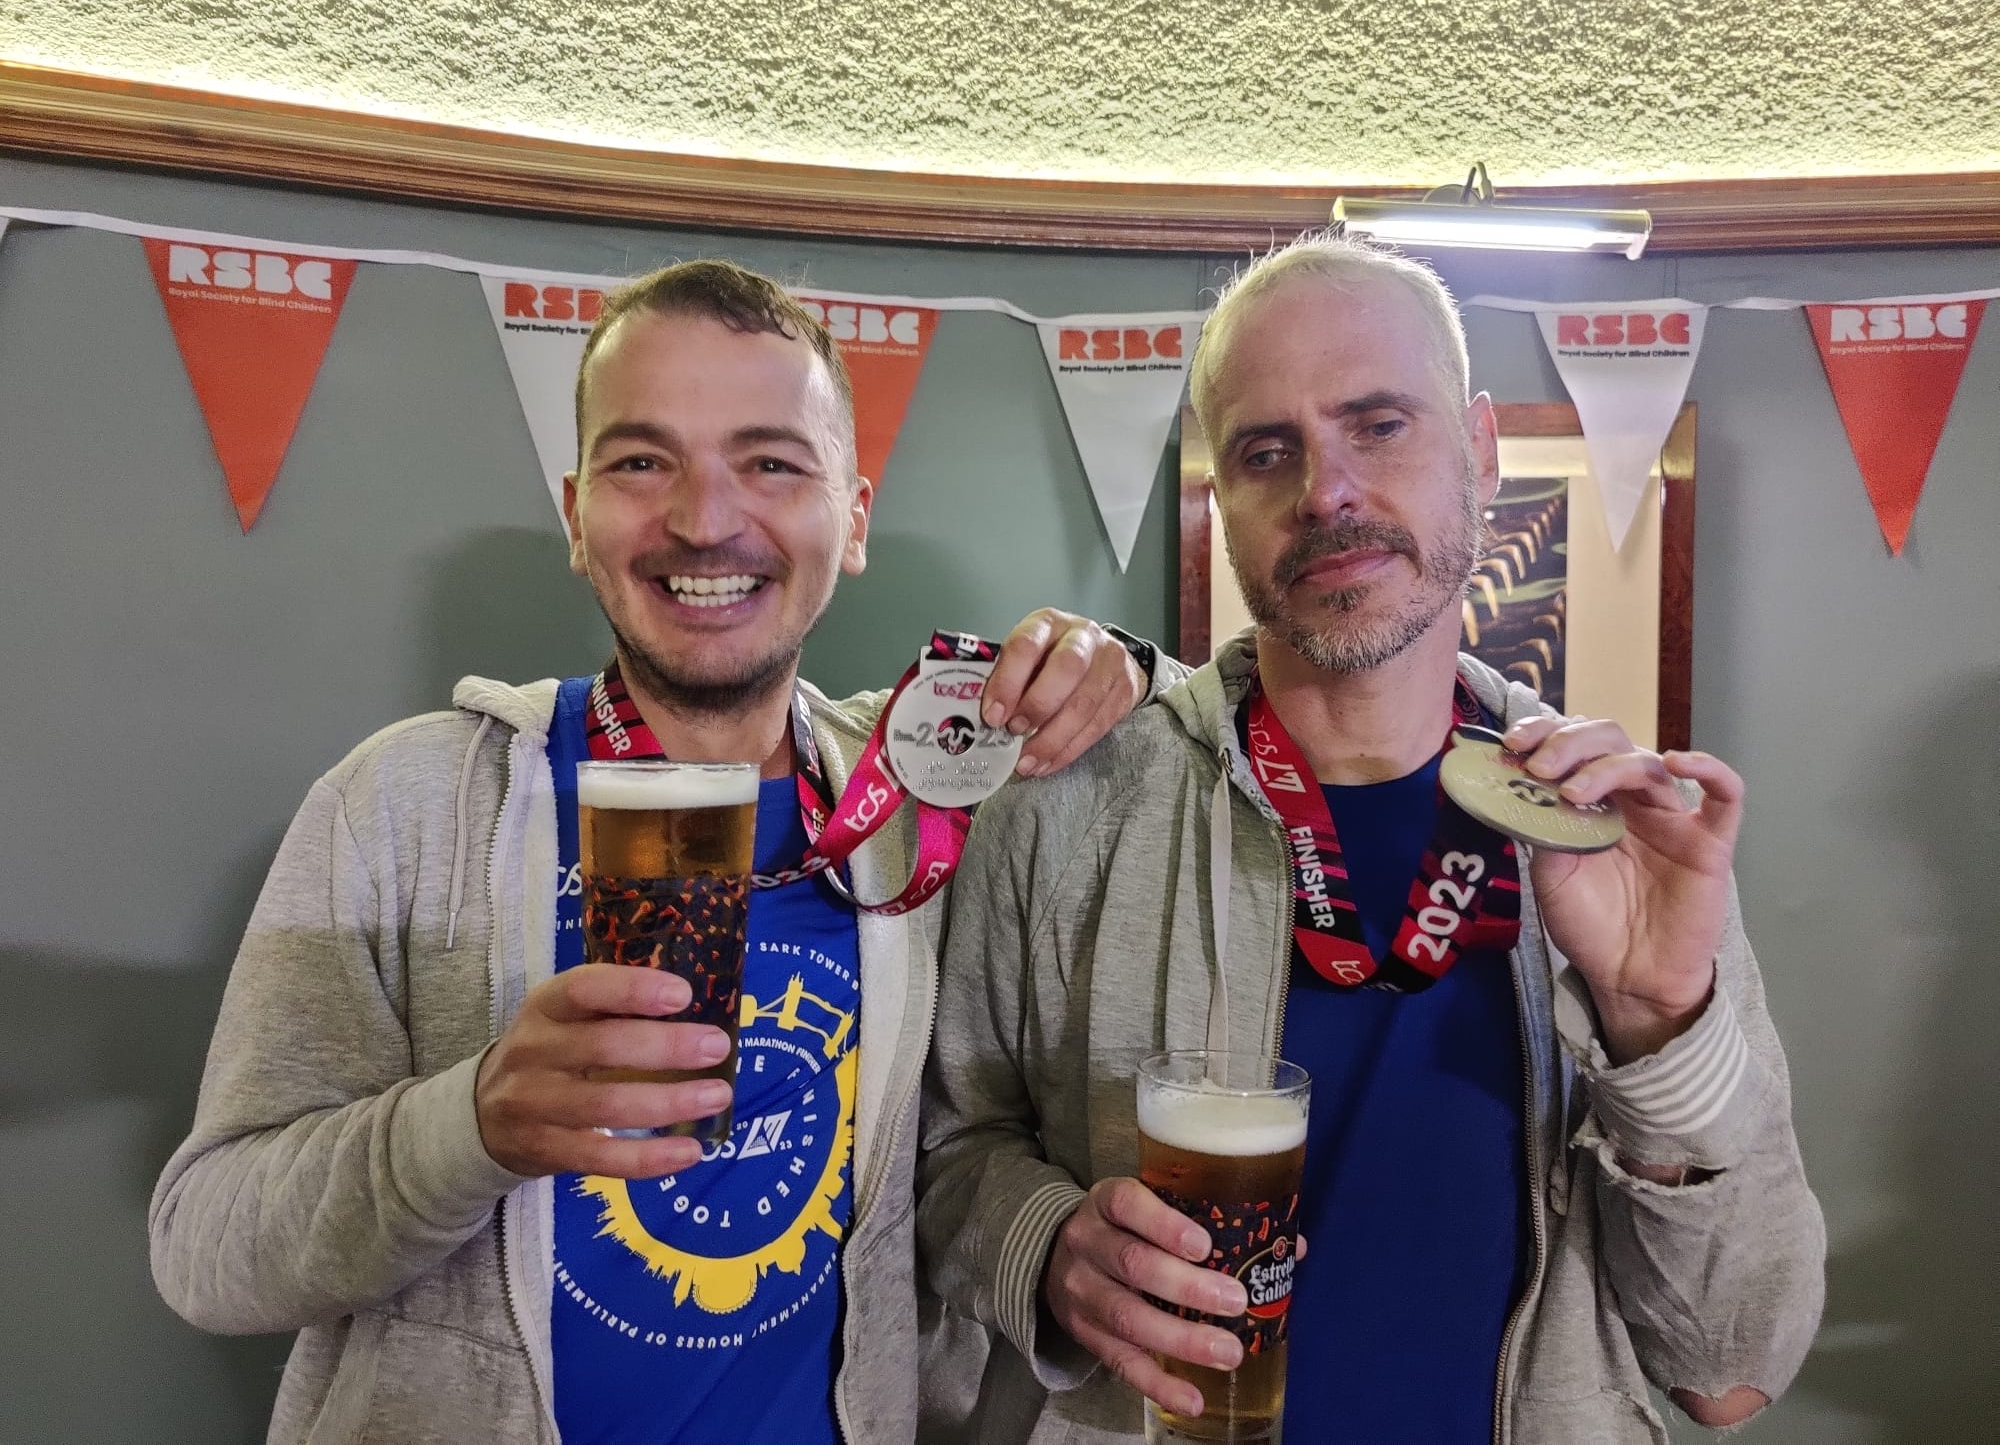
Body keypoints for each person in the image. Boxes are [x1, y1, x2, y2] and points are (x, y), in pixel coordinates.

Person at [149, 259, 1170, 1445]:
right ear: (577, 514)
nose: (703, 517)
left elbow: (948, 1159)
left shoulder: (920, 804)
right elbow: (203, 1248)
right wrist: (467, 1125)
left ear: (852, 519)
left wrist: (1123, 664)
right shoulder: (402, 803)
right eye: (642, 462)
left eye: (772, 462)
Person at [916, 233, 1825, 1443]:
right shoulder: (1066, 797)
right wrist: (1042, 1248)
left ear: (1481, 453)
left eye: (1379, 424)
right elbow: (948, 1143)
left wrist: (1658, 1027)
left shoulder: (1612, 836)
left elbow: (1728, 1372)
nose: (1325, 491)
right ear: (1220, 499)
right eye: (1266, 450)